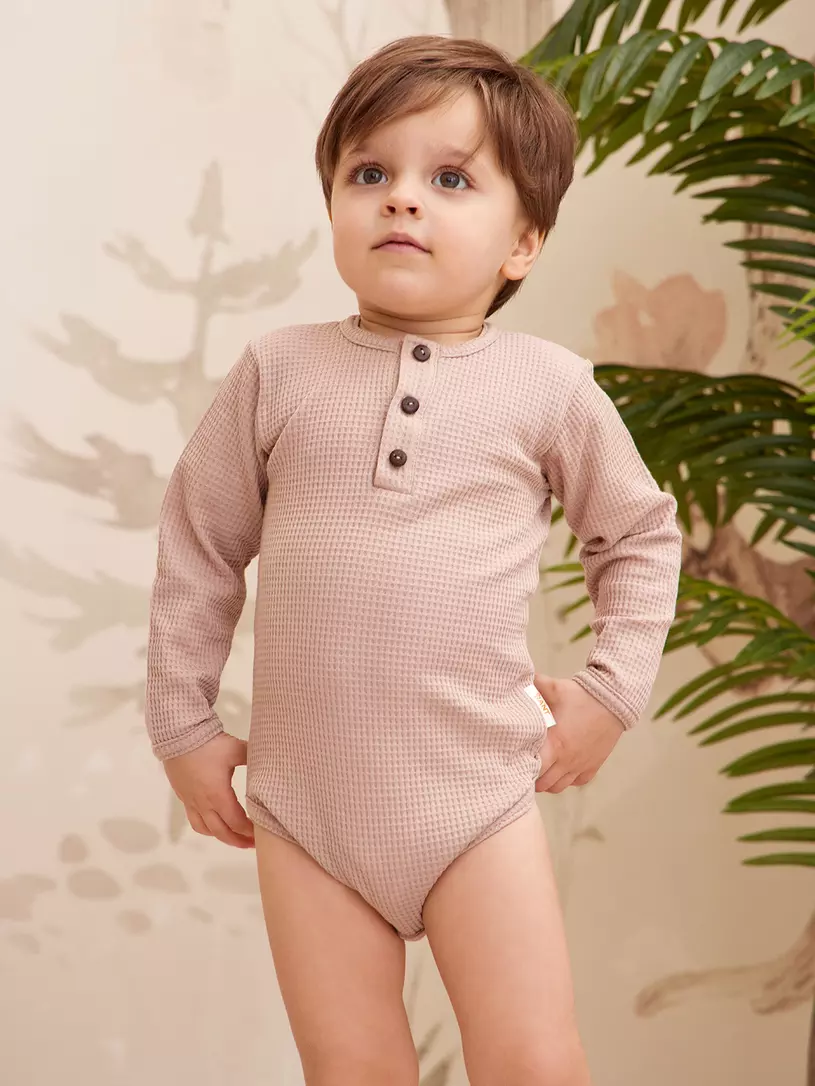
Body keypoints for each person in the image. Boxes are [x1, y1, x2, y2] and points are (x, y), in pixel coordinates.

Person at [144, 33, 683, 1086]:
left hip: (477, 797)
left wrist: (611, 691)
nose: (399, 198)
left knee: (533, 1063)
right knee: (351, 1068)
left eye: (449, 179)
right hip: (304, 808)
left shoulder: (549, 386)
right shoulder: (275, 372)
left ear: (522, 242)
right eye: (368, 173)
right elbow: (198, 545)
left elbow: (636, 535)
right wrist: (183, 723)